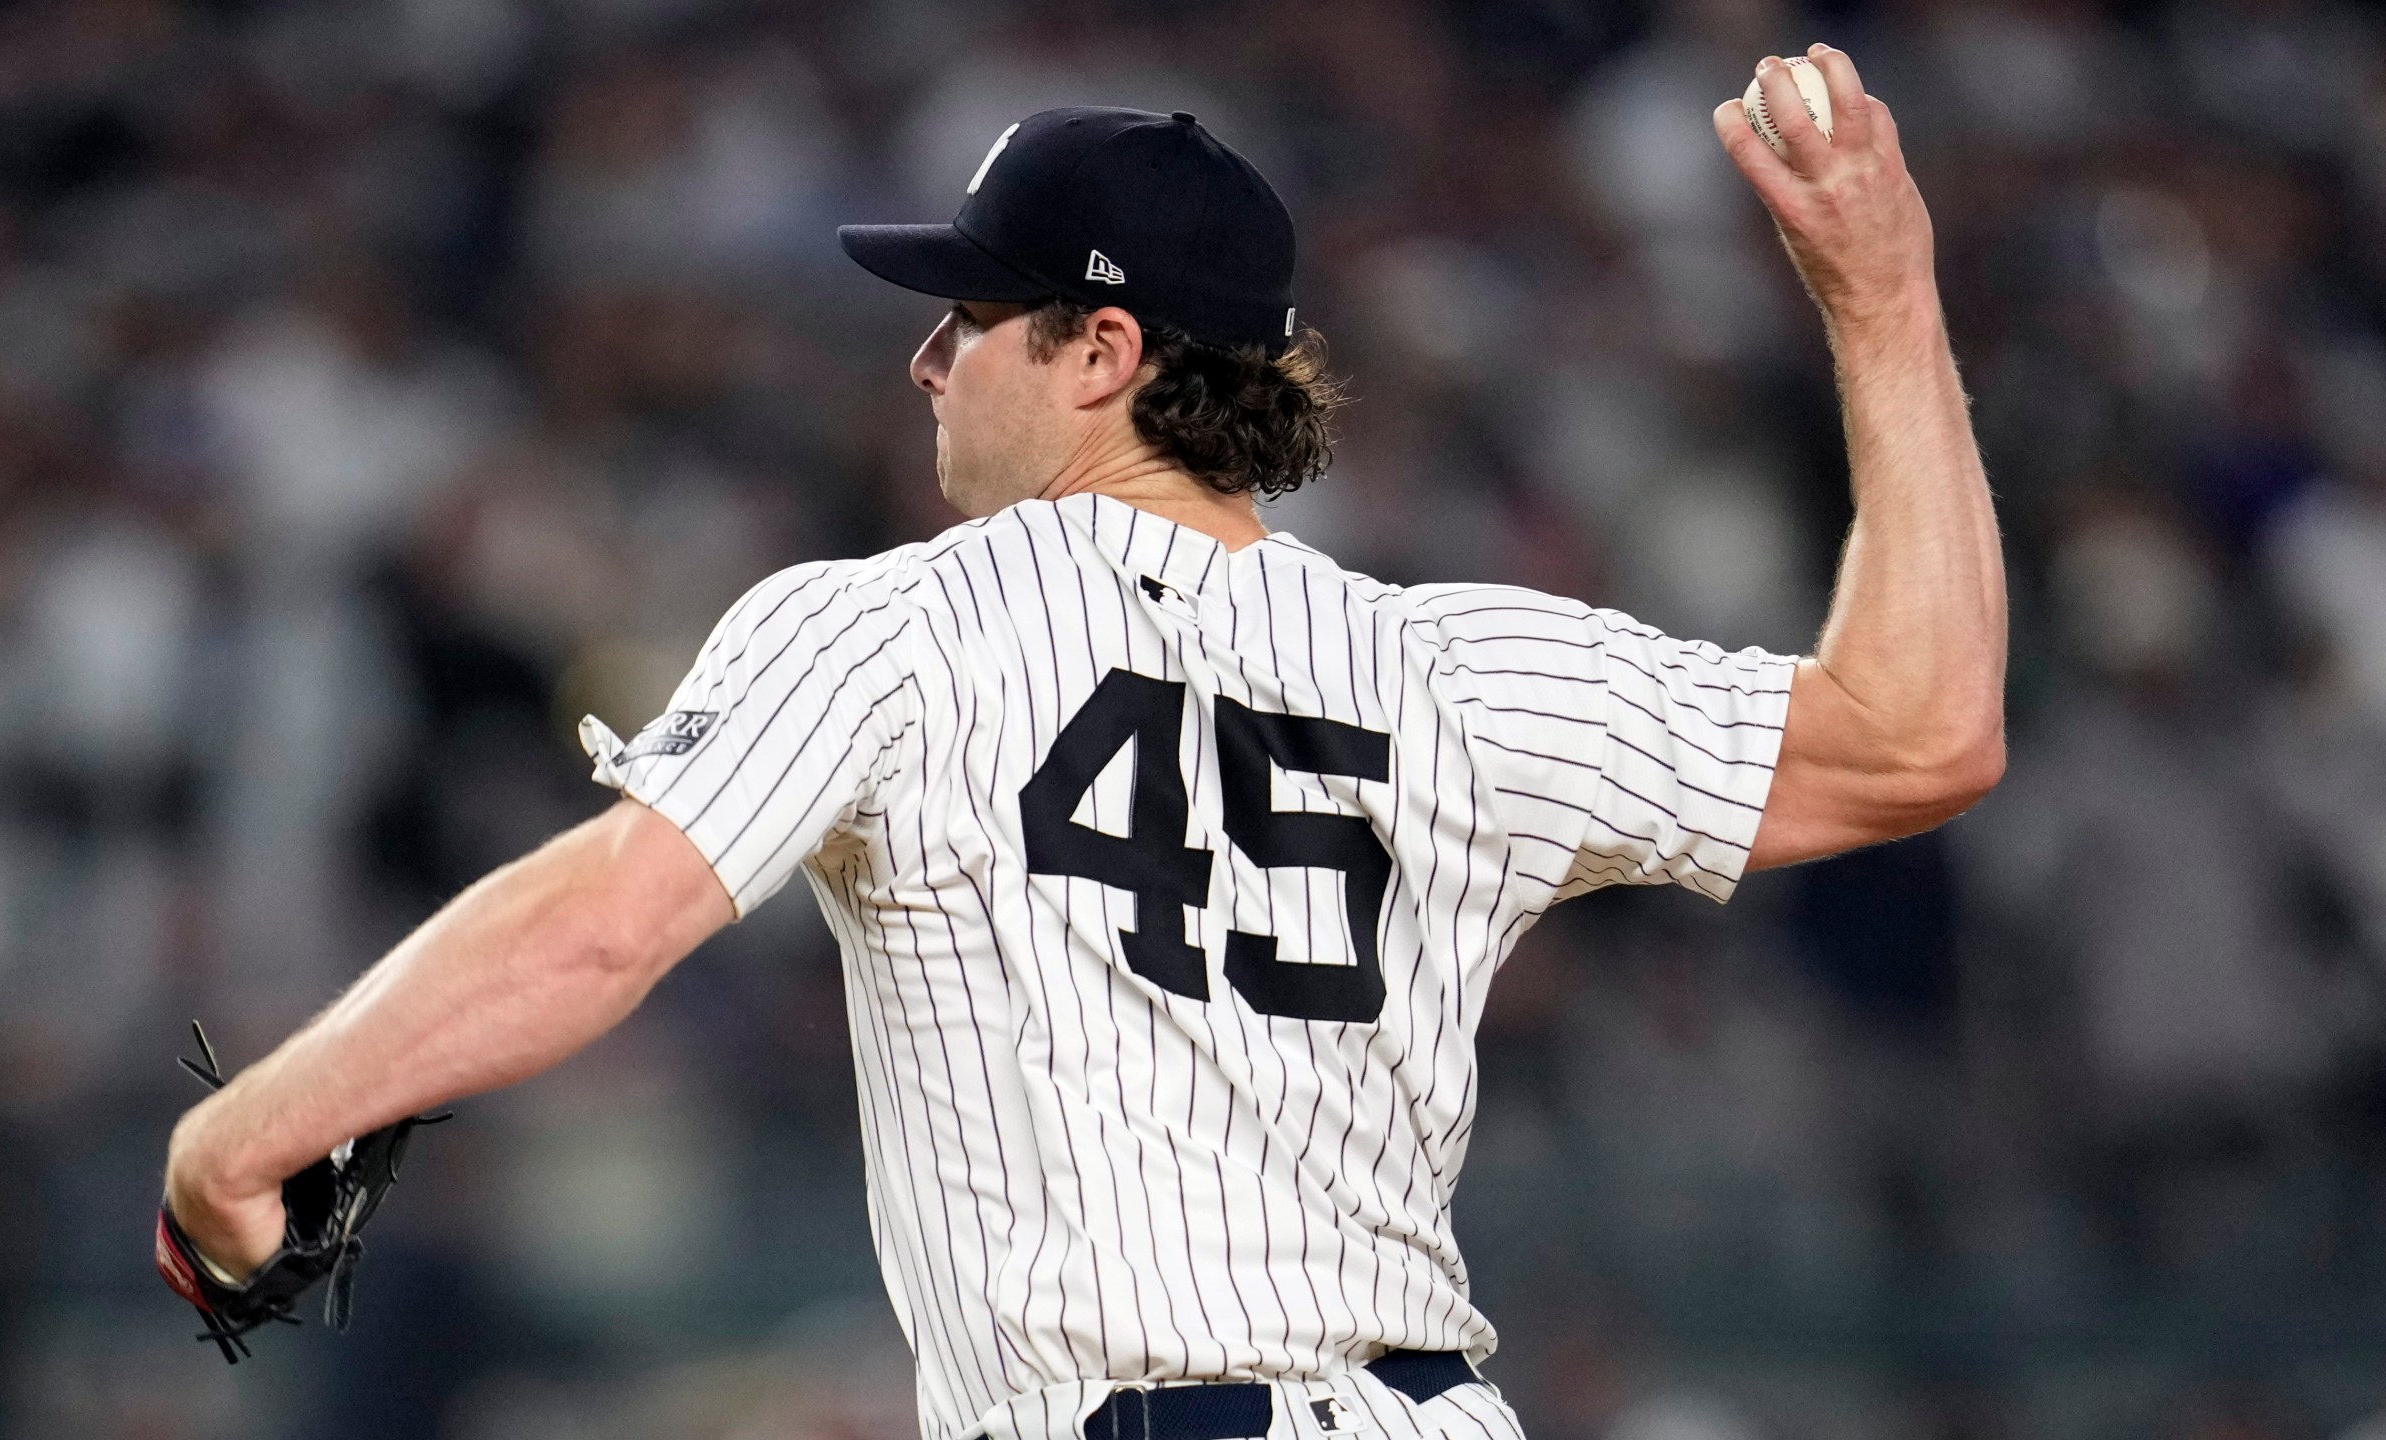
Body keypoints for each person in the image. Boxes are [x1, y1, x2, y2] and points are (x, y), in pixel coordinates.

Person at [162, 49, 2003, 1440]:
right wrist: (1888, 304)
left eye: (973, 314)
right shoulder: (1450, 671)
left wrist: (253, 1130)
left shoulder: (897, 625)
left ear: (1104, 349)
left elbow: (596, 928)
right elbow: (1922, 736)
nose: (930, 359)